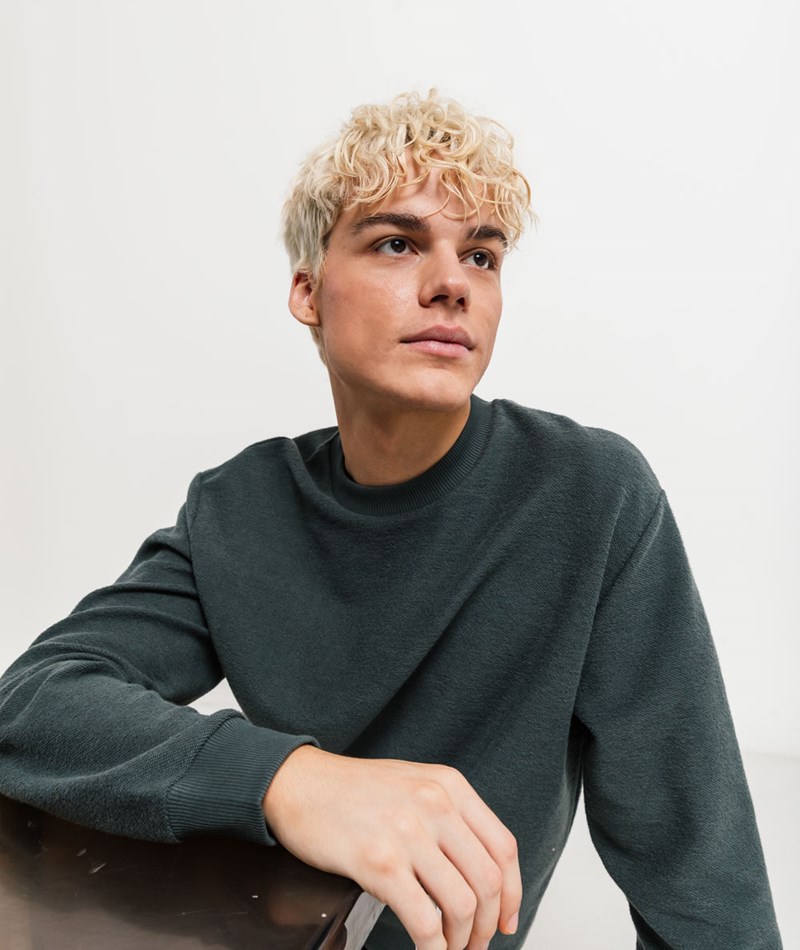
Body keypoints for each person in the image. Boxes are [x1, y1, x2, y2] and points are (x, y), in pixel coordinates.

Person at [0, 90, 782, 950]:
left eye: (481, 255)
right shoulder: (238, 505)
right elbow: (33, 705)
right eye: (397, 243)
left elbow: (698, 876)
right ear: (308, 292)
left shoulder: (592, 498)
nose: (453, 284)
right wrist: (295, 782)